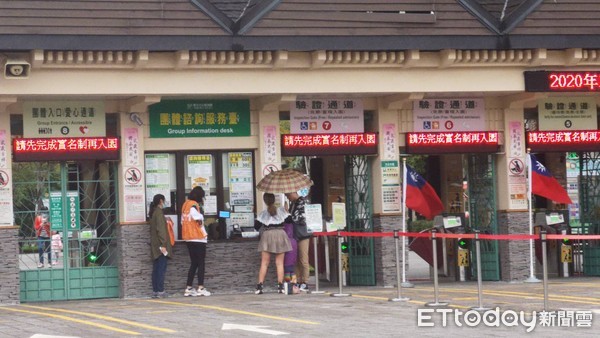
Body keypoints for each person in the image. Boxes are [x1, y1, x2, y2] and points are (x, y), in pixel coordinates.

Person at [254, 193, 292, 294]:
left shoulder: (263, 213)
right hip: (280, 234)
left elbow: (256, 227)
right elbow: (290, 220)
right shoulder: (281, 211)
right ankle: (280, 286)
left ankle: (260, 286)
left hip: (267, 235)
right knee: (279, 263)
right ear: (274, 200)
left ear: (265, 201)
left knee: (264, 263)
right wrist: (287, 210)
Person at [181, 186, 211, 297]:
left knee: (194, 263)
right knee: (201, 262)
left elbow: (182, 221)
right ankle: (201, 287)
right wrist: (202, 216)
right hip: (198, 238)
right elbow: (198, 219)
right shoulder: (194, 205)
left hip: (188, 238)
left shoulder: (185, 205)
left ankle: (189, 287)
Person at [285, 191, 311, 292]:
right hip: (295, 234)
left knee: (303, 259)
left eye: (287, 195)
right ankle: (297, 281)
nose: (288, 197)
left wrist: (289, 215)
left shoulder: (303, 202)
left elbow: (302, 218)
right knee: (295, 259)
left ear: (292, 193)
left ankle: (304, 282)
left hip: (303, 234)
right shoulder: (293, 204)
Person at [149, 194, 172, 298]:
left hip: (155, 245)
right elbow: (161, 230)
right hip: (160, 246)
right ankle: (160, 291)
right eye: (164, 200)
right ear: (161, 201)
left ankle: (155, 291)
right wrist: (163, 244)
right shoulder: (159, 213)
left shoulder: (154, 212)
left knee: (156, 268)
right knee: (161, 269)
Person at [283, 221, 299, 295]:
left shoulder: (285, 238)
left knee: (287, 271)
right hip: (293, 251)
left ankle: (288, 286)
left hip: (287, 256)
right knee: (292, 271)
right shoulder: (293, 225)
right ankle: (295, 286)